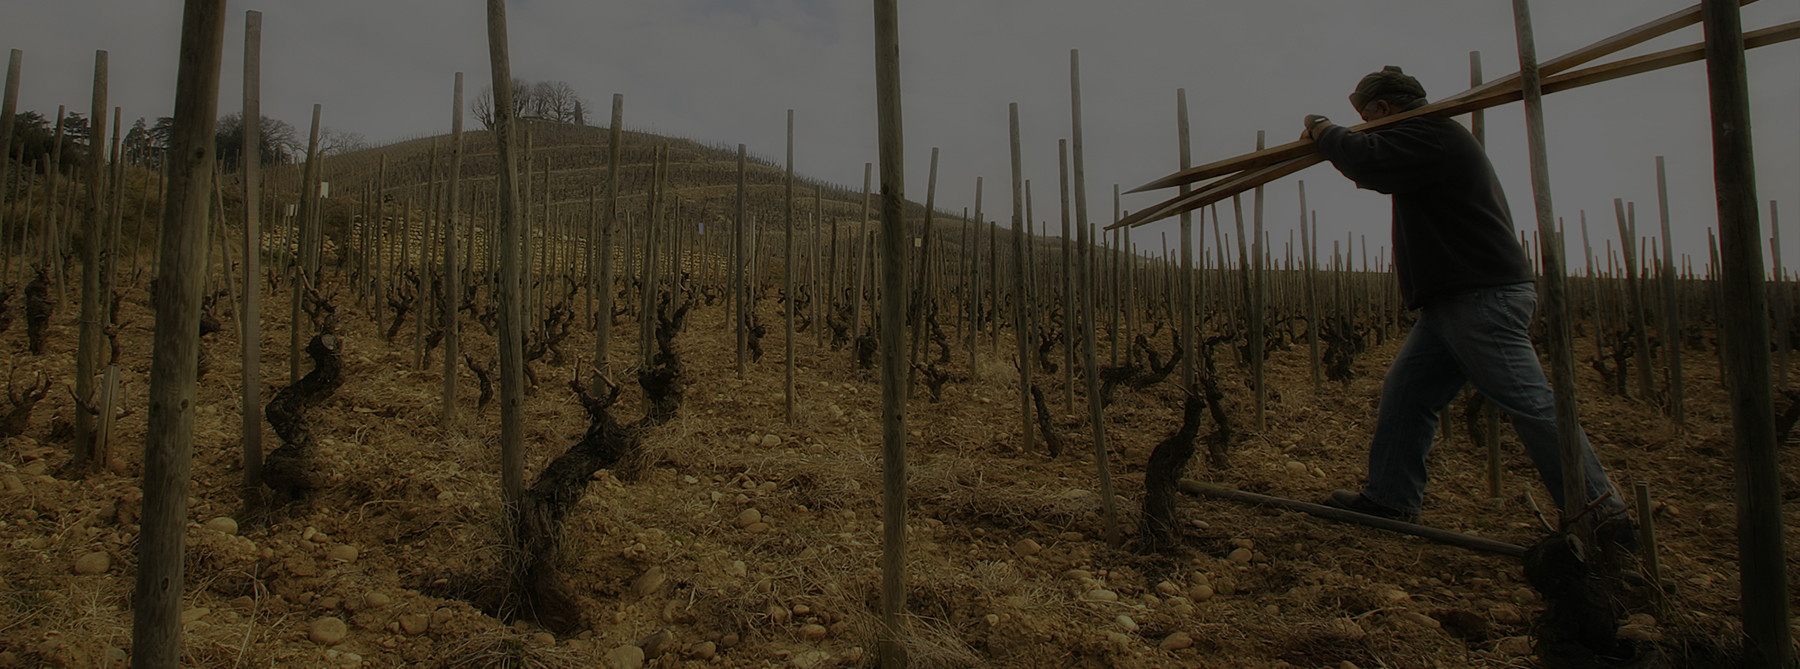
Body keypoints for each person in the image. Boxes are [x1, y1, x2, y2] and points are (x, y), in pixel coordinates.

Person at [1301, 66, 1631, 541]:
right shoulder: (1429, 136)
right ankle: (1391, 499)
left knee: (1530, 403)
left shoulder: (1432, 133)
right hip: (1455, 299)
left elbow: (1366, 161)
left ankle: (1601, 513)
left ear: (1384, 110)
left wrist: (1321, 128)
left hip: (1480, 296)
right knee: (1408, 396)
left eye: (1365, 115)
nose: (1364, 123)